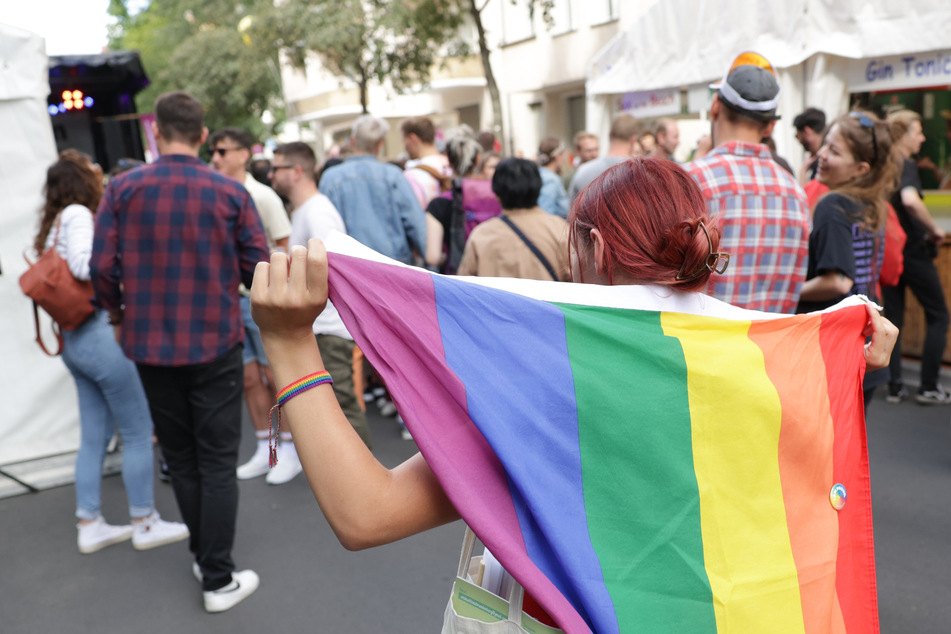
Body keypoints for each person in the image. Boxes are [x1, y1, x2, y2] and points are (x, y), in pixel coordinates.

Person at [248, 157, 897, 630]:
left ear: (588, 247)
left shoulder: (551, 389)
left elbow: (368, 515)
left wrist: (287, 345)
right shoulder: (760, 369)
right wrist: (841, 352)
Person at [90, 91, 268, 613]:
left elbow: (102, 268)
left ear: (155, 132)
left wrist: (119, 315)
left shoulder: (121, 189)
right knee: (216, 460)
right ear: (204, 135)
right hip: (214, 339)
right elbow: (257, 269)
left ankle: (204, 555)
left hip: (148, 344)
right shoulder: (230, 194)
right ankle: (217, 577)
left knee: (183, 456)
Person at [34, 150, 189, 555]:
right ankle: (145, 521)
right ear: (81, 182)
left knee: (94, 435)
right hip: (101, 336)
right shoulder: (80, 215)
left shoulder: (53, 222)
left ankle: (90, 522)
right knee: (138, 430)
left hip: (73, 340)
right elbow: (89, 267)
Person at [684, 51, 810, 314]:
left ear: (715, 107)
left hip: (699, 349)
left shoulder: (691, 180)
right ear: (769, 128)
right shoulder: (795, 192)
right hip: (771, 351)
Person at [270, 141, 372, 458]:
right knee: (334, 406)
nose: (271, 174)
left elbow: (335, 268)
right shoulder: (306, 210)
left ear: (297, 171)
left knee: (343, 405)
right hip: (321, 326)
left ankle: (366, 482)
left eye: (278, 168)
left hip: (329, 327)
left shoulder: (318, 211)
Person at [796, 111, 899, 409]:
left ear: (860, 168)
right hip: (863, 342)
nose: (822, 155)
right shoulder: (872, 204)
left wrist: (787, 291)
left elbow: (838, 280)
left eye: (835, 151)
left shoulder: (832, 204)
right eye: (826, 144)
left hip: (835, 348)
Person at [208, 127, 292, 483]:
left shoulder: (264, 196)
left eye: (222, 150)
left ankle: (288, 448)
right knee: (248, 378)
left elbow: (284, 248)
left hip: (259, 298)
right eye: (213, 150)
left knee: (276, 376)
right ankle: (265, 447)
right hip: (229, 298)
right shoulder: (212, 192)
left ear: (242, 154)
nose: (215, 157)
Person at [882, 109, 951, 405]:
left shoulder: (884, 166)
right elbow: (910, 200)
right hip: (913, 251)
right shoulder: (905, 165)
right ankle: (928, 386)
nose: (923, 138)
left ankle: (895, 386)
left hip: (891, 253)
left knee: (894, 318)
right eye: (918, 132)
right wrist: (935, 229)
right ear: (903, 134)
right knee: (939, 315)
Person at [319, 114, 426, 265]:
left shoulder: (331, 178)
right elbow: (416, 224)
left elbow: (324, 227)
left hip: (349, 267)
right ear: (380, 145)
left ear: (352, 141)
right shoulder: (393, 175)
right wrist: (431, 265)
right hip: (393, 266)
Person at [457, 157, 569, 281]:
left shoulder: (481, 235)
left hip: (497, 301)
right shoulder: (560, 229)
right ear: (539, 187)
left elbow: (465, 287)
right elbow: (578, 279)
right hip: (546, 301)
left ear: (496, 193)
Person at [426, 134, 502, 274]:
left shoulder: (438, 204)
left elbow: (433, 257)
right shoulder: (497, 196)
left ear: (448, 160)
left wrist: (450, 257)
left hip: (458, 281)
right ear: (478, 159)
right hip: (494, 276)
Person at [568, 113, 639, 201]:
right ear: (633, 139)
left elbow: (571, 211)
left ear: (609, 136)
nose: (593, 154)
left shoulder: (583, 172)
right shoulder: (640, 172)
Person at [401, 116, 452, 209]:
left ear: (413, 138)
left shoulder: (411, 175)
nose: (404, 146)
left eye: (404, 140)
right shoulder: (452, 164)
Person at [535, 136, 570, 217]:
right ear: (558, 155)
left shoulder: (540, 173)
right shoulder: (551, 179)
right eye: (563, 154)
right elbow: (546, 211)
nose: (564, 159)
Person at [793, 107, 826, 183]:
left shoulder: (822, 162)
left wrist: (803, 171)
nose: (798, 139)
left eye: (797, 135)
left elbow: (806, 194)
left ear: (807, 131)